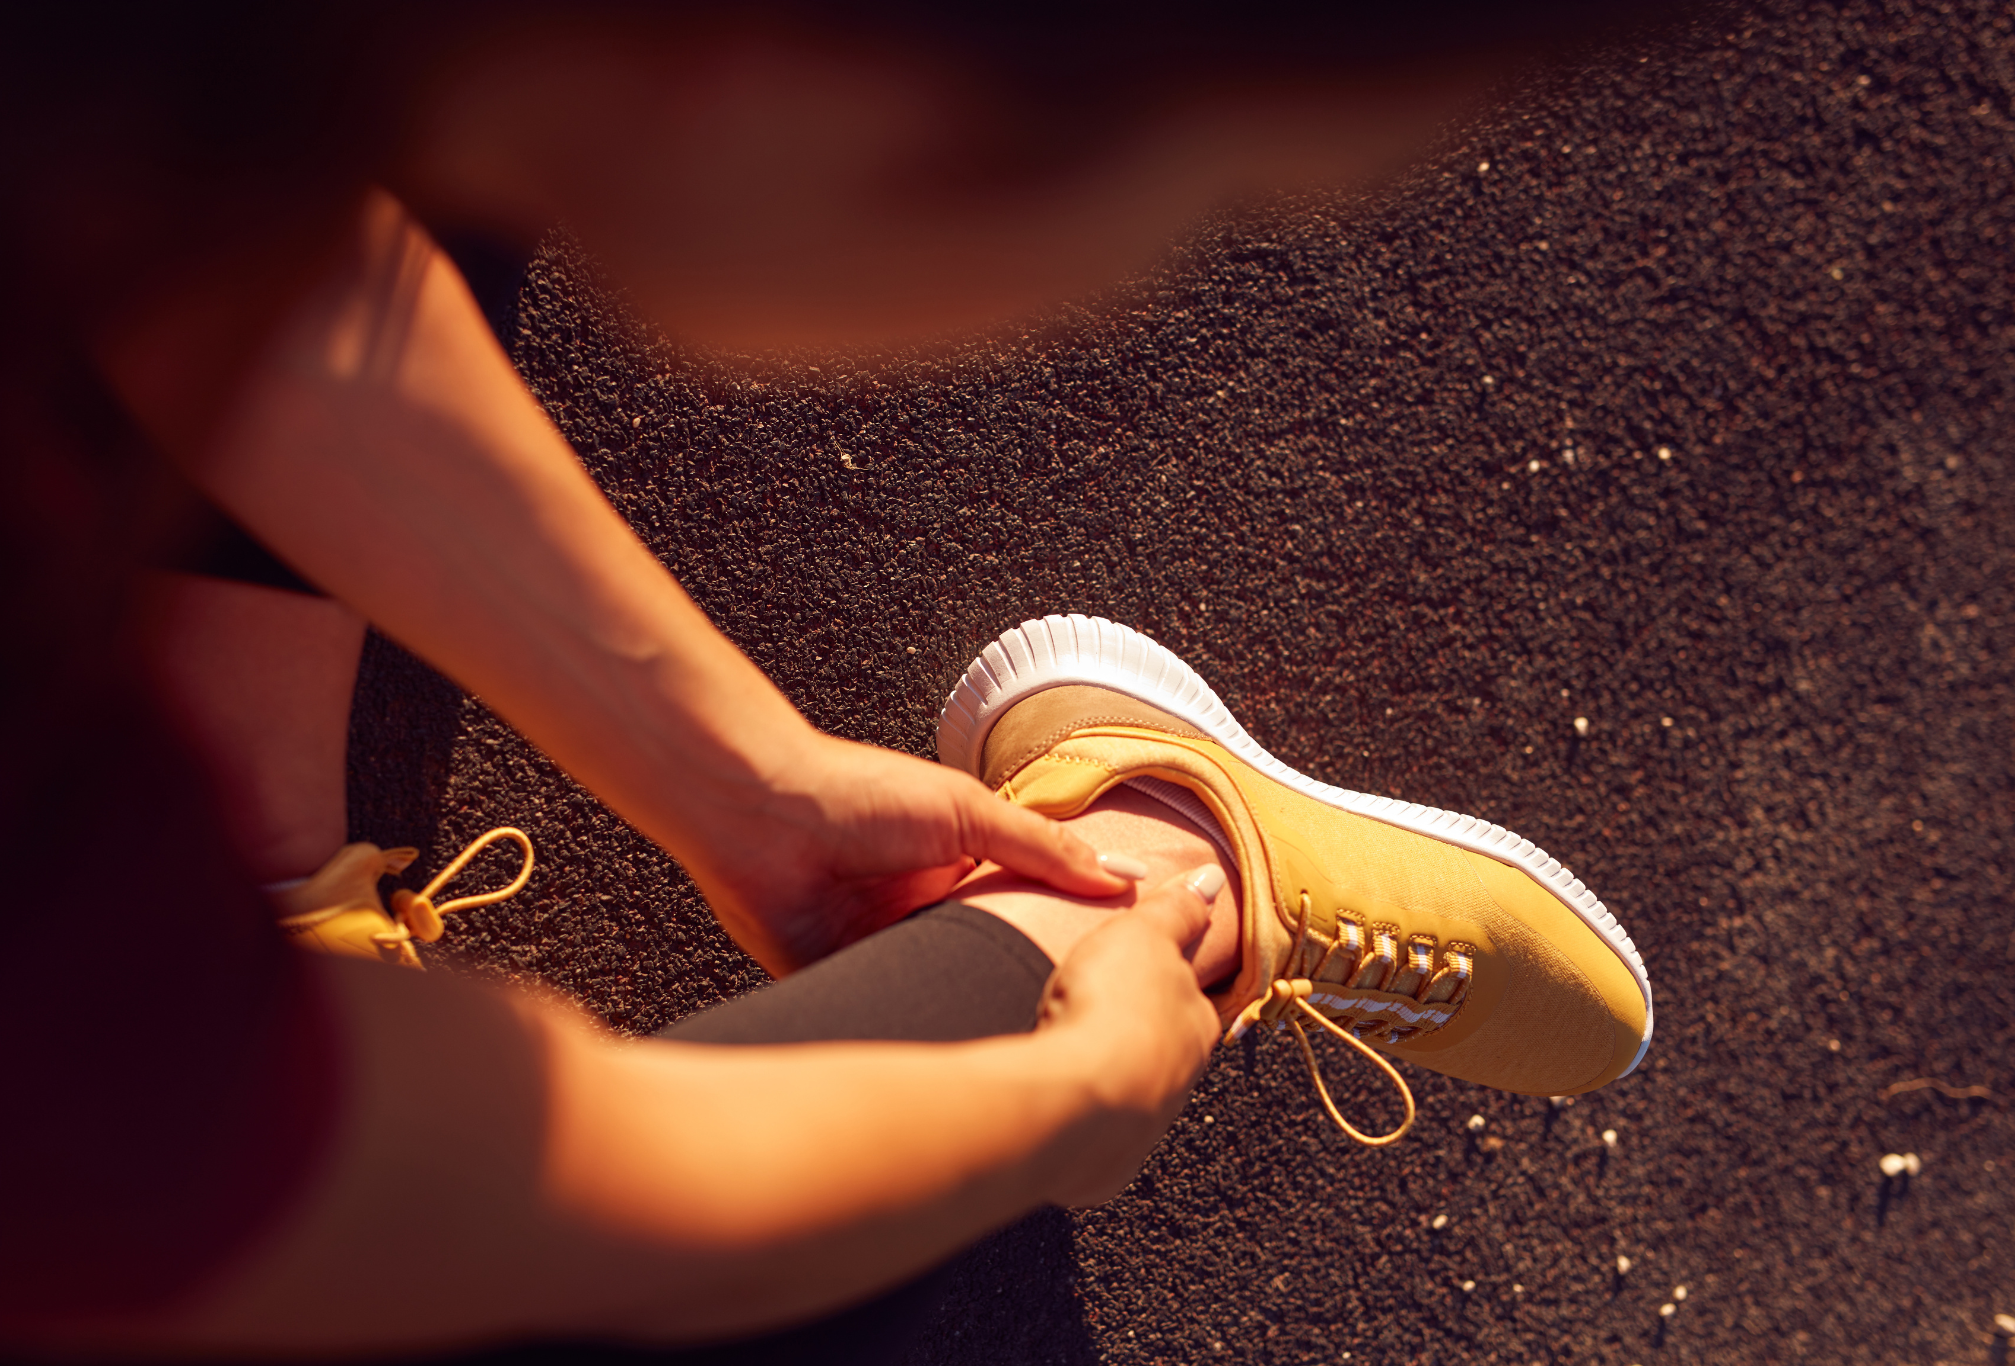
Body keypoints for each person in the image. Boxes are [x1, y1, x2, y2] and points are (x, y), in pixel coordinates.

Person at [0, 3, 1672, 1360]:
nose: (1112, 266)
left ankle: (1135, 893)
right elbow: (409, 1193)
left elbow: (238, 249)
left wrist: (745, 775)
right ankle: (1160, 894)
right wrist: (1048, 1107)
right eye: (1181, 191)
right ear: (758, 75)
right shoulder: (69, 969)